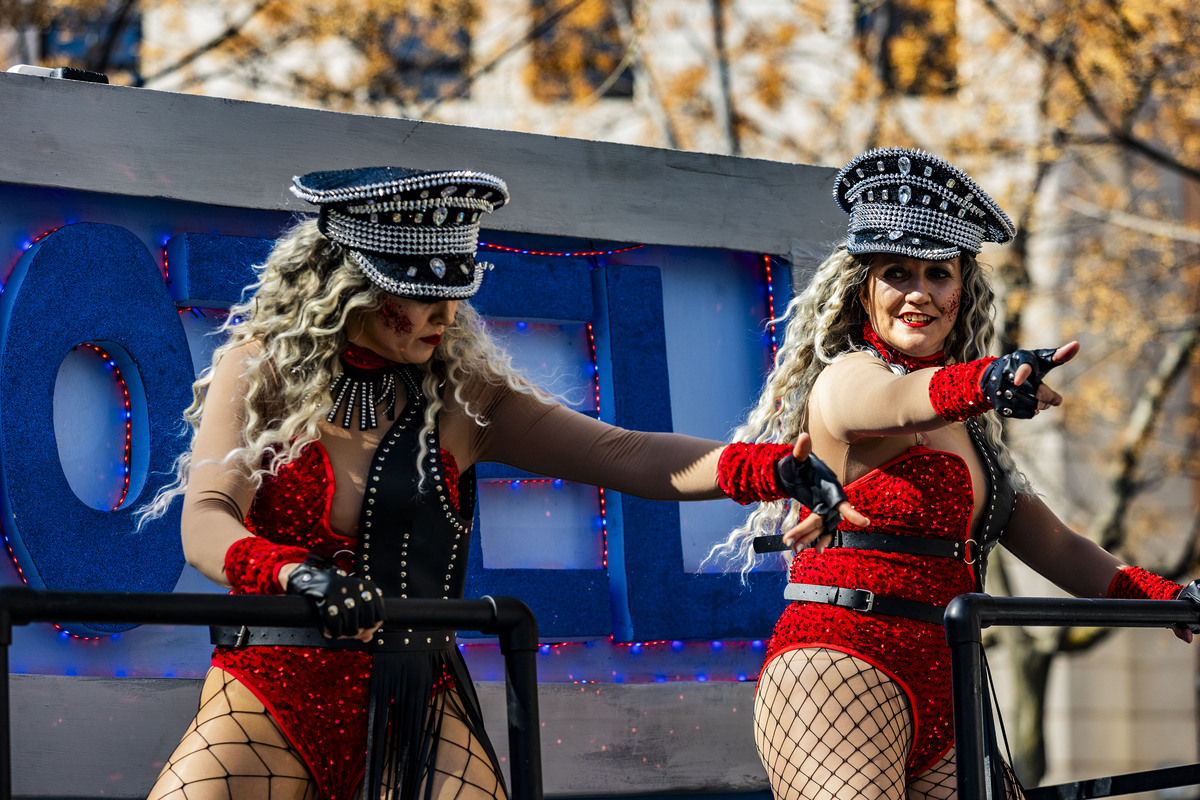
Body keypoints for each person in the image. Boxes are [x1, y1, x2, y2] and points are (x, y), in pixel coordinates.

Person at [140, 165, 859, 800]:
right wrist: (295, 576)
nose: (444, 315)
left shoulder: (463, 394)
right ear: (348, 288)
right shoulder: (258, 366)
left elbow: (627, 454)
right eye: (418, 296)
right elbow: (205, 520)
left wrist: (776, 469)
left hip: (416, 697)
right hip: (275, 685)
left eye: (454, 292)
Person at [706, 147, 1200, 800]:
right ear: (865, 288)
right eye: (896, 274)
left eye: (937, 274)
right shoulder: (849, 377)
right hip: (840, 667)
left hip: (949, 680)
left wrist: (1170, 601)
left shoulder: (973, 432)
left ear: (962, 286)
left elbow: (1057, 546)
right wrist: (989, 378)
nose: (918, 293)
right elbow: (891, 404)